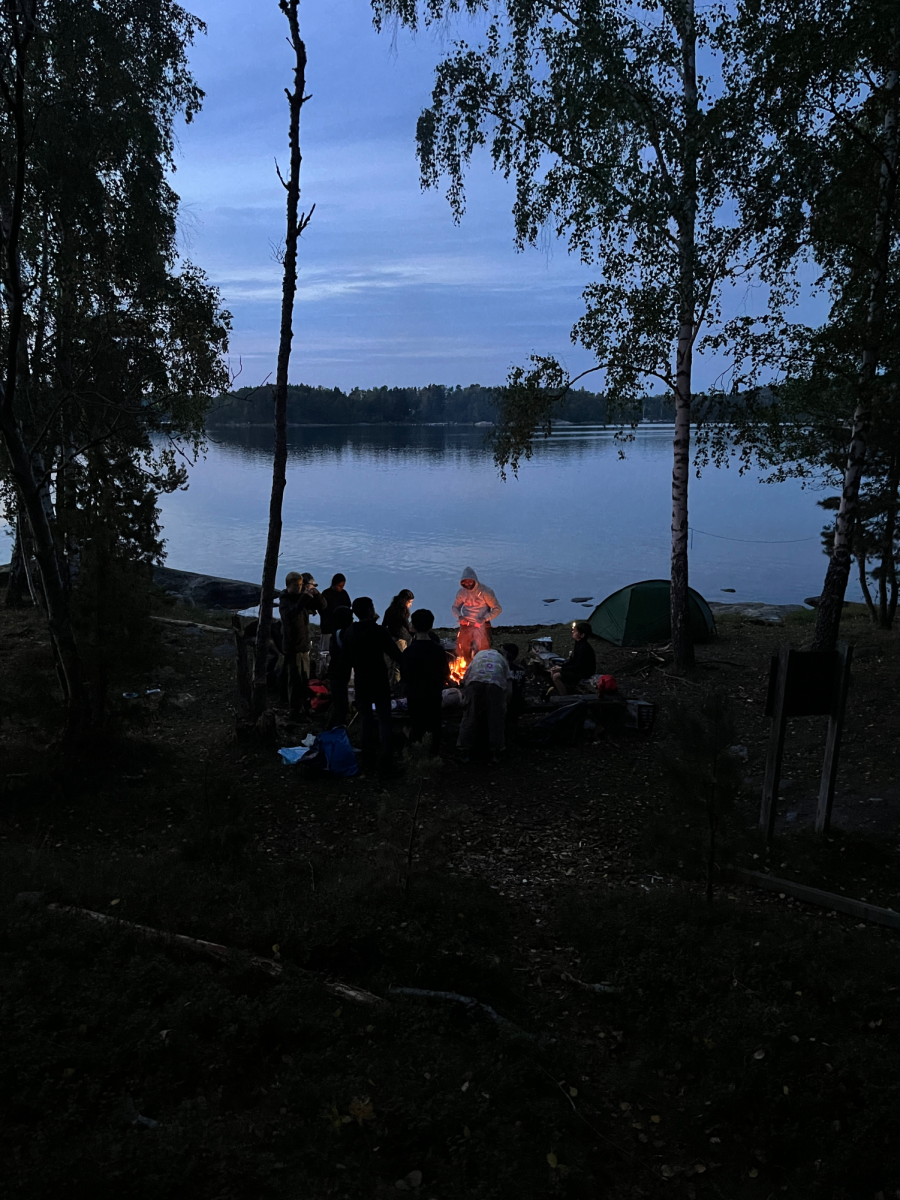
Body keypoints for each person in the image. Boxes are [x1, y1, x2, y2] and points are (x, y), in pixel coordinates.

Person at [342, 596, 403, 776]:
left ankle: (367, 755)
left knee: (367, 718)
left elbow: (346, 659)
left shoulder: (350, 632)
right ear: (370, 610)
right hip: (378, 678)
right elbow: (395, 654)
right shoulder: (378, 631)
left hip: (361, 679)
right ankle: (385, 759)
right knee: (384, 718)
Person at [401, 608, 450, 753]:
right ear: (431, 626)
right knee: (434, 724)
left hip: (415, 695)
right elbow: (445, 672)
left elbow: (405, 676)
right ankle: (434, 753)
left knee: (417, 724)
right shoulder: (439, 650)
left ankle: (417, 753)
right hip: (434, 694)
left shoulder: (409, 652)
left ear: (413, 627)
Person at [278, 570, 327, 716]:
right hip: (293, 645)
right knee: (295, 680)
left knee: (303, 677)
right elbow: (291, 615)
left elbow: (323, 606)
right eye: (295, 585)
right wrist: (304, 598)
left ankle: (301, 706)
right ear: (288, 586)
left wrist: (315, 593)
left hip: (304, 643)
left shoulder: (301, 597)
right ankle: (295, 710)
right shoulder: (285, 600)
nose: (299, 588)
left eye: (300, 585)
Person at [456, 646, 511, 765]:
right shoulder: (502, 659)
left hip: (475, 683)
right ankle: (497, 752)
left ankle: (464, 750)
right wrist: (505, 701)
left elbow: (466, 677)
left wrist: (467, 696)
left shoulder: (478, 657)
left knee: (469, 716)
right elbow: (508, 680)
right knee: (496, 719)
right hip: (495, 684)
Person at [452, 566, 502, 662]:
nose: (467, 584)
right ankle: (466, 666)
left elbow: (498, 608)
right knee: (463, 648)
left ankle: (483, 666)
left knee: (483, 650)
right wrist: (460, 616)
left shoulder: (485, 591)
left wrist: (484, 618)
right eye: (464, 582)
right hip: (466, 623)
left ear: (475, 580)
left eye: (469, 581)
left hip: (482, 623)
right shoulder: (461, 593)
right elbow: (455, 607)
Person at [325, 606, 354, 729]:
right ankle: (335, 728)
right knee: (340, 702)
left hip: (335, 671)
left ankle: (333, 726)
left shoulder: (336, 632)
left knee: (338, 701)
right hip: (340, 671)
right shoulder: (343, 634)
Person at [551, 621, 597, 695]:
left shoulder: (584, 647)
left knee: (556, 676)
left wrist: (562, 669)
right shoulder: (578, 643)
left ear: (582, 635)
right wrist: (561, 666)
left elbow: (579, 666)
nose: (572, 632)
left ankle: (564, 696)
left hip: (584, 672)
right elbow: (573, 660)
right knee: (553, 671)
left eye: (575, 631)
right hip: (578, 669)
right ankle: (560, 689)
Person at [383, 588, 415, 685]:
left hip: (389, 639)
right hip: (400, 640)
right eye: (410, 602)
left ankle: (388, 685)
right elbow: (407, 627)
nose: (410, 605)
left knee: (389, 666)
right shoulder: (402, 612)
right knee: (398, 665)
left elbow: (384, 625)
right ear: (405, 601)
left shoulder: (389, 609)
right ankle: (396, 686)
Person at [320, 573, 352, 651]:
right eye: (339, 586)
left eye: (343, 586)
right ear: (334, 584)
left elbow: (348, 606)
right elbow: (321, 609)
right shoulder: (326, 594)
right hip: (328, 626)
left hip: (342, 627)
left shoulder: (344, 593)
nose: (341, 588)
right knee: (326, 648)